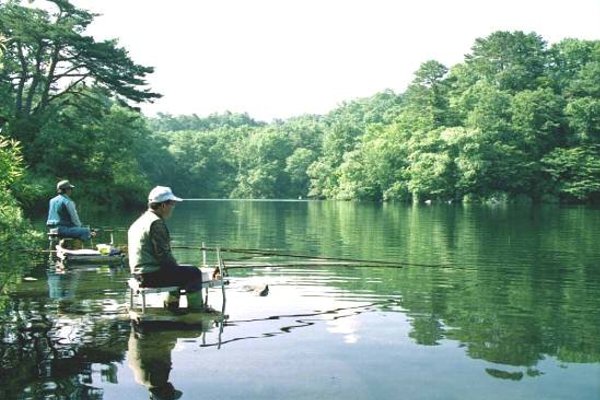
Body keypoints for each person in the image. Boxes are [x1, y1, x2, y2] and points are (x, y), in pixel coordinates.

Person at [128, 186, 205, 311]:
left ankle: (171, 307)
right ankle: (196, 312)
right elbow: (163, 256)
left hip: (138, 273)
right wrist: (177, 268)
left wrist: (176, 269)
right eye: (172, 204)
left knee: (177, 272)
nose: (173, 208)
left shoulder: (139, 221)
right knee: (194, 273)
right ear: (163, 205)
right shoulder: (156, 223)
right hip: (149, 276)